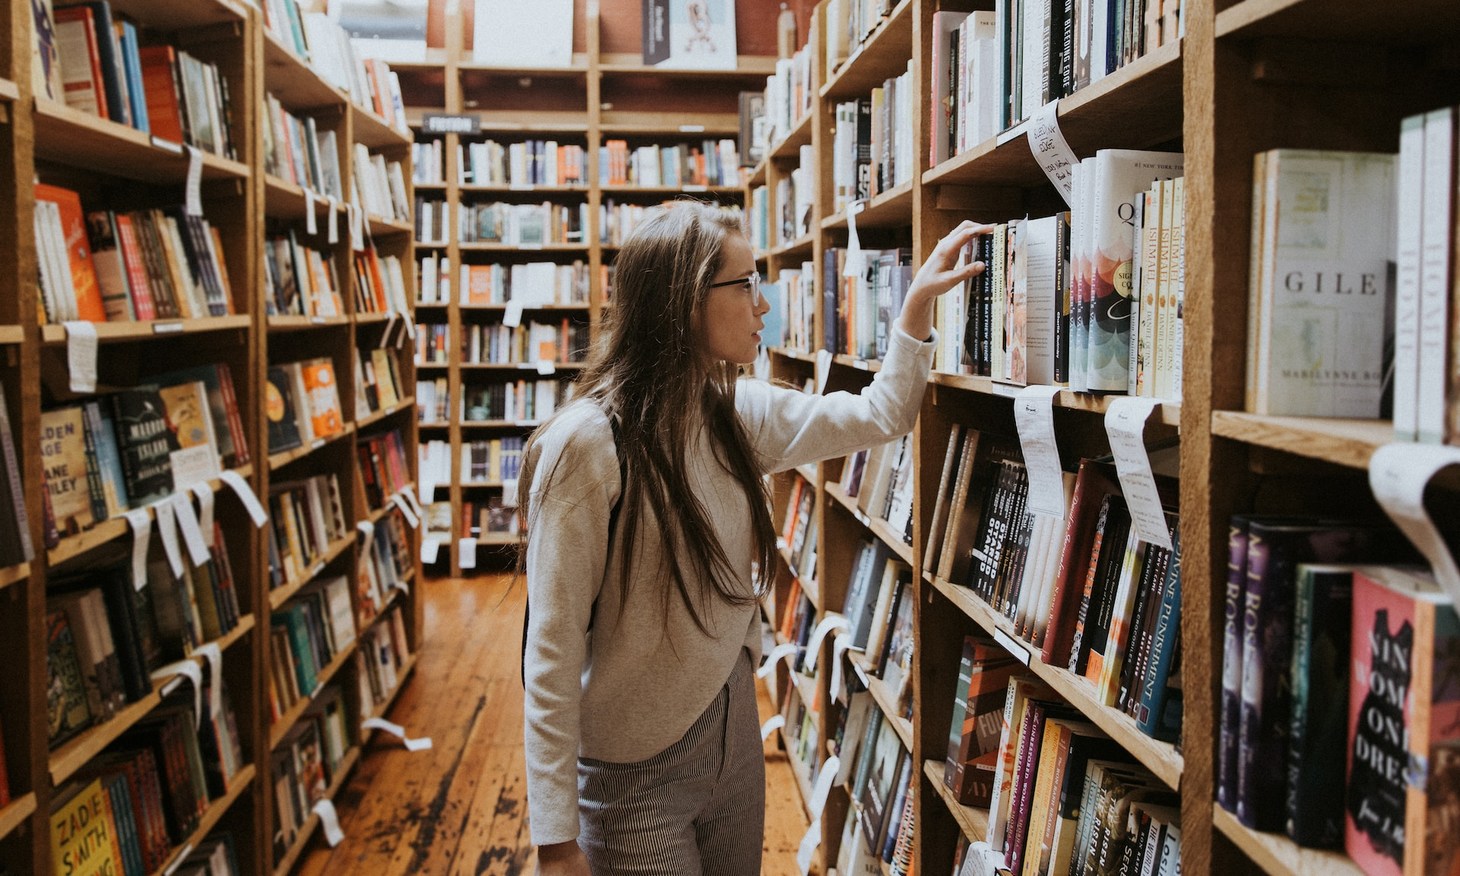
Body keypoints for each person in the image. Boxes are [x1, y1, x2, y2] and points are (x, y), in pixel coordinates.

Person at [519, 202, 987, 876]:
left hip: (732, 731)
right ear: (685, 304)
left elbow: (881, 414)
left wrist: (912, 313)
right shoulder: (587, 447)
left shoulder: (738, 412)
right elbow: (552, 647)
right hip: (632, 771)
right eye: (744, 284)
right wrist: (556, 839)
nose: (763, 303)